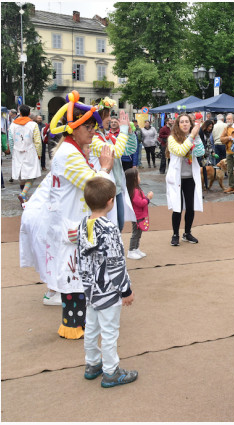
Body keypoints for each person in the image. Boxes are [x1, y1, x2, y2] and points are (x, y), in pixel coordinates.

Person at [19, 101, 115, 338]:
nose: (93, 131)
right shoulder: (69, 154)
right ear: (73, 129)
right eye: (88, 127)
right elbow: (96, 188)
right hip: (70, 225)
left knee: (77, 275)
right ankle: (72, 326)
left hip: (71, 221)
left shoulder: (72, 150)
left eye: (94, 126)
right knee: (73, 277)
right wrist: (105, 167)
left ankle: (78, 323)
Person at [78, 176, 138, 388]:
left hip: (91, 291)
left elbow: (82, 259)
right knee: (110, 331)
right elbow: (115, 263)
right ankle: (111, 371)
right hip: (109, 291)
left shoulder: (83, 224)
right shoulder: (110, 228)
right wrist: (126, 290)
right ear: (111, 201)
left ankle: (92, 363)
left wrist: (86, 285)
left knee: (92, 328)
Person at [90, 103, 137, 232]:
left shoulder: (107, 137)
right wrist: (122, 130)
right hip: (104, 188)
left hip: (117, 187)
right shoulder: (94, 140)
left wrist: (130, 133)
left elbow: (130, 149)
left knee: (119, 224)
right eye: (107, 116)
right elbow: (117, 152)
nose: (110, 119)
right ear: (98, 119)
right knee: (111, 226)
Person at [166, 114, 205, 246]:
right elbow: (181, 151)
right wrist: (192, 136)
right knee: (177, 207)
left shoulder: (194, 137)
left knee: (190, 207)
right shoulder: (172, 139)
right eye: (182, 122)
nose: (184, 124)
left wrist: (197, 136)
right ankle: (175, 234)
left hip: (190, 178)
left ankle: (187, 233)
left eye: (187, 122)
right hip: (177, 179)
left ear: (190, 124)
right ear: (178, 124)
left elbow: (200, 153)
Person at [8, 104, 42, 205]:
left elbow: (10, 139)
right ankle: (23, 194)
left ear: (20, 113)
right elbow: (37, 141)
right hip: (30, 151)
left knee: (21, 175)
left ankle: (24, 196)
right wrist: (39, 153)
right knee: (32, 175)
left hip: (17, 152)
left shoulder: (13, 125)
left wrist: (13, 151)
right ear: (29, 113)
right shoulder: (33, 125)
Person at [125, 167, 153, 260]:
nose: (139, 178)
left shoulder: (136, 189)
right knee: (136, 233)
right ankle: (131, 250)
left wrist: (146, 197)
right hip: (137, 216)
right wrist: (148, 198)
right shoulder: (135, 191)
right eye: (138, 176)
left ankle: (136, 248)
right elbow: (140, 203)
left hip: (140, 215)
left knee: (138, 233)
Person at [220, 113, 234, 194]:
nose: (227, 120)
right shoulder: (226, 128)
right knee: (229, 170)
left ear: (233, 119)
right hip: (228, 151)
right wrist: (228, 138)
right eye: (226, 119)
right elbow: (221, 139)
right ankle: (231, 186)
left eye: (229, 119)